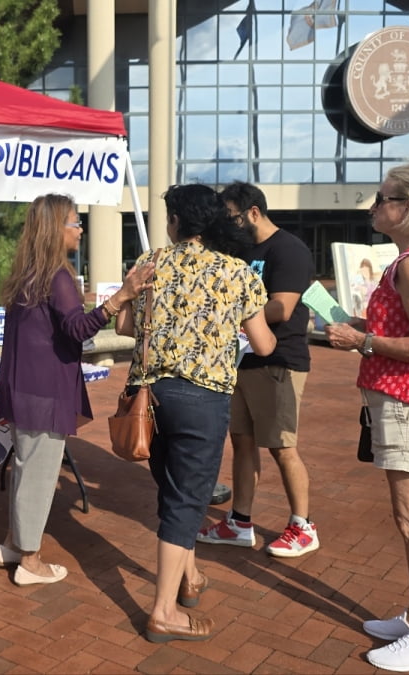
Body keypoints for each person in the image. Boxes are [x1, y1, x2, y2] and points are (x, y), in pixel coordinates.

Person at [117, 184, 275, 643]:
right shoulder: (236, 271)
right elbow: (263, 343)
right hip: (202, 399)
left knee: (171, 491)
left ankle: (189, 578)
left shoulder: (149, 266)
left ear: (176, 223)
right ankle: (164, 611)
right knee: (188, 500)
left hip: (149, 396)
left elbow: (126, 327)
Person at [324, 164, 409, 673]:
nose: (374, 207)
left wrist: (360, 340)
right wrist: (358, 327)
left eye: (383, 199)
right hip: (408, 400)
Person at [0, 194, 154, 586]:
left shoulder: (27, 274)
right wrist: (123, 296)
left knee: (24, 468)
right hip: (43, 391)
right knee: (38, 475)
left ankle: (15, 543)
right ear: (54, 228)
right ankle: (29, 561)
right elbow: (78, 329)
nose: (80, 227)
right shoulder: (57, 275)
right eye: (74, 221)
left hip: (21, 387)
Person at [198, 181, 319, 558]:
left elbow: (282, 307)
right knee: (242, 442)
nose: (229, 225)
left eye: (232, 217)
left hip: (279, 360)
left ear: (253, 212)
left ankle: (303, 525)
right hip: (242, 361)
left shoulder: (288, 250)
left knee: (282, 446)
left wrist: (229, 315)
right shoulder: (242, 250)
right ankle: (239, 522)